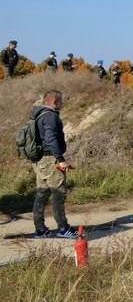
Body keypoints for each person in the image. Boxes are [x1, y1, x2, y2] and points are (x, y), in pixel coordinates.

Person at [31, 90, 78, 238]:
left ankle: (40, 229)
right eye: (61, 101)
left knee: (42, 193)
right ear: (54, 102)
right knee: (58, 193)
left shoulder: (38, 115)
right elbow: (51, 139)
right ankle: (63, 229)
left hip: (39, 160)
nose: (62, 104)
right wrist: (60, 159)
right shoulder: (50, 117)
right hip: (50, 159)